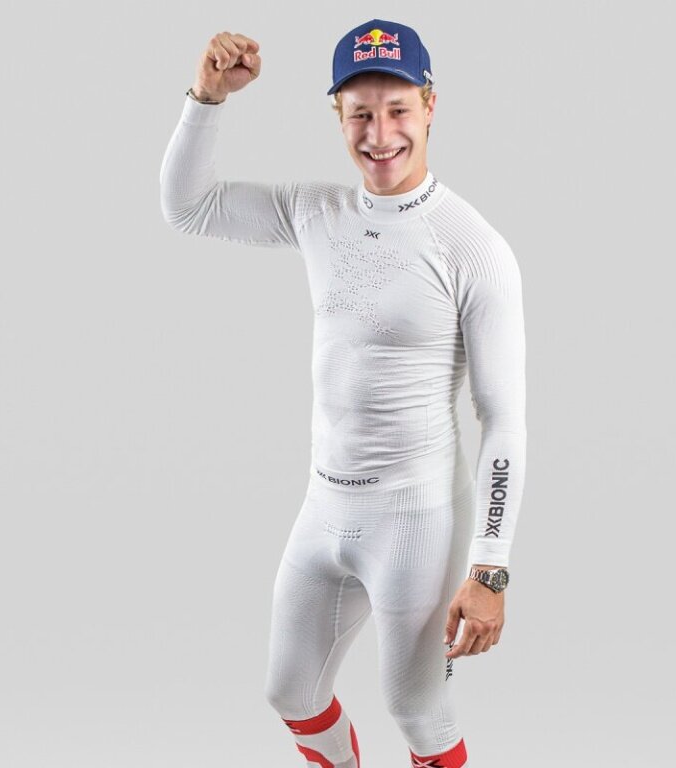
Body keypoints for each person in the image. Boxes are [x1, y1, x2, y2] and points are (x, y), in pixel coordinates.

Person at [159, 18, 527, 768]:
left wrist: (489, 568)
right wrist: (206, 98)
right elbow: (187, 206)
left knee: (417, 711)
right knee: (289, 690)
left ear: (430, 105)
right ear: (338, 116)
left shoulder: (474, 247)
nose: (380, 134)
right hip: (324, 505)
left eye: (398, 109)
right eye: (360, 113)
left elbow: (504, 421)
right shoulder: (317, 211)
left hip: (417, 518)